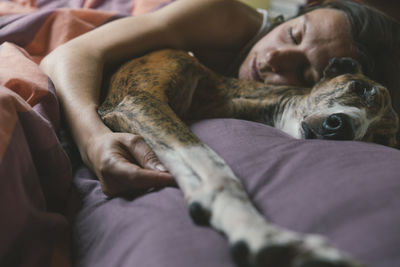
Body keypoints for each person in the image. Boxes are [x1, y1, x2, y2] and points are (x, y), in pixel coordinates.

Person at [40, 0, 400, 196]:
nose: (275, 58)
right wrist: (94, 140)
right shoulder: (223, 15)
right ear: (300, 11)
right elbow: (67, 55)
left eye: (304, 73)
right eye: (292, 35)